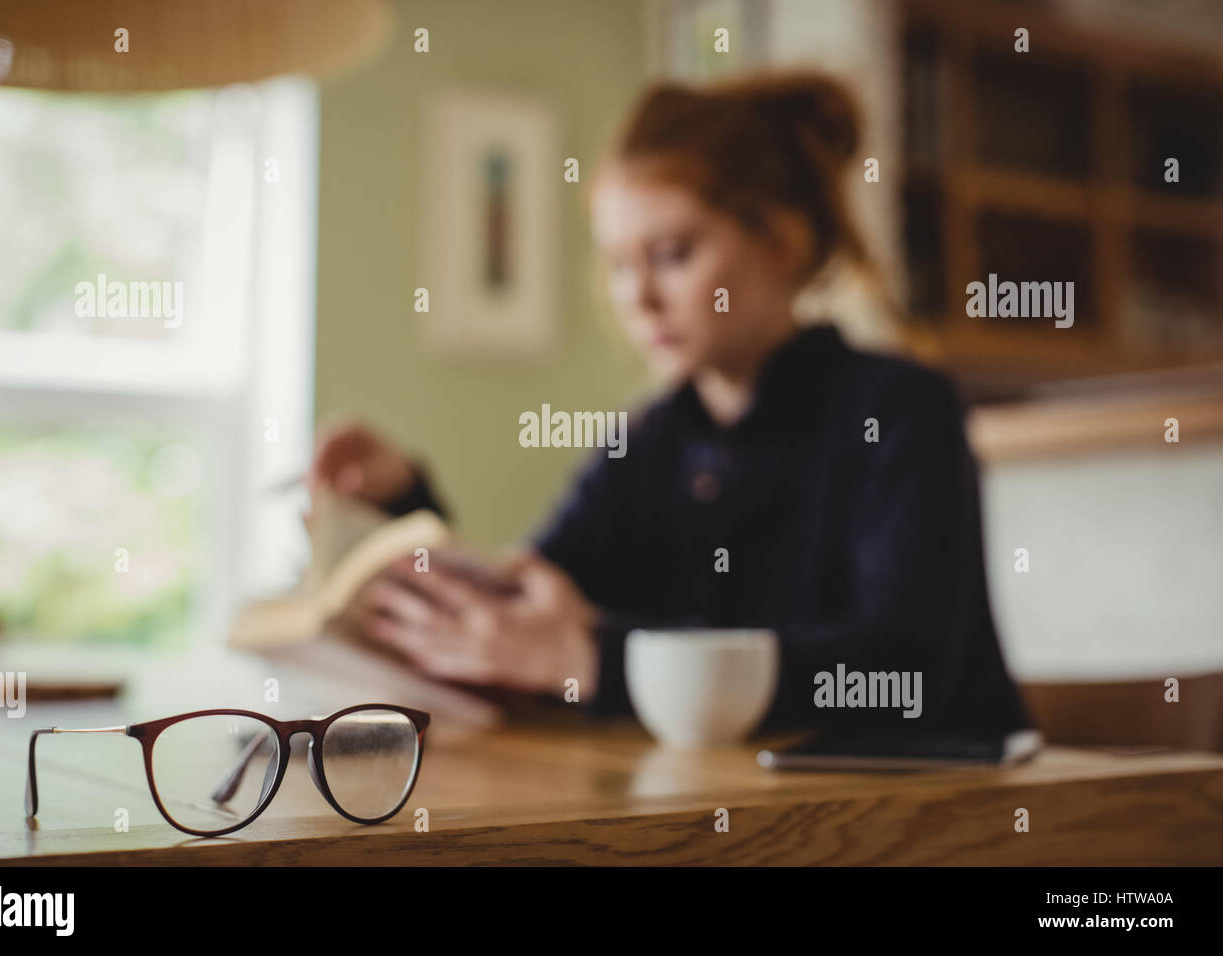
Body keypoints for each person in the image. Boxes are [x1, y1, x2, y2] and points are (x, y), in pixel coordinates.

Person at [311, 71, 1031, 738]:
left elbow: (899, 675)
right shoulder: (651, 441)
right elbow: (529, 599)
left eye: (673, 254)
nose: (638, 297)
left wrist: (595, 660)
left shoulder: (903, 411)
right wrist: (399, 504)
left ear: (781, 242)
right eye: (620, 264)